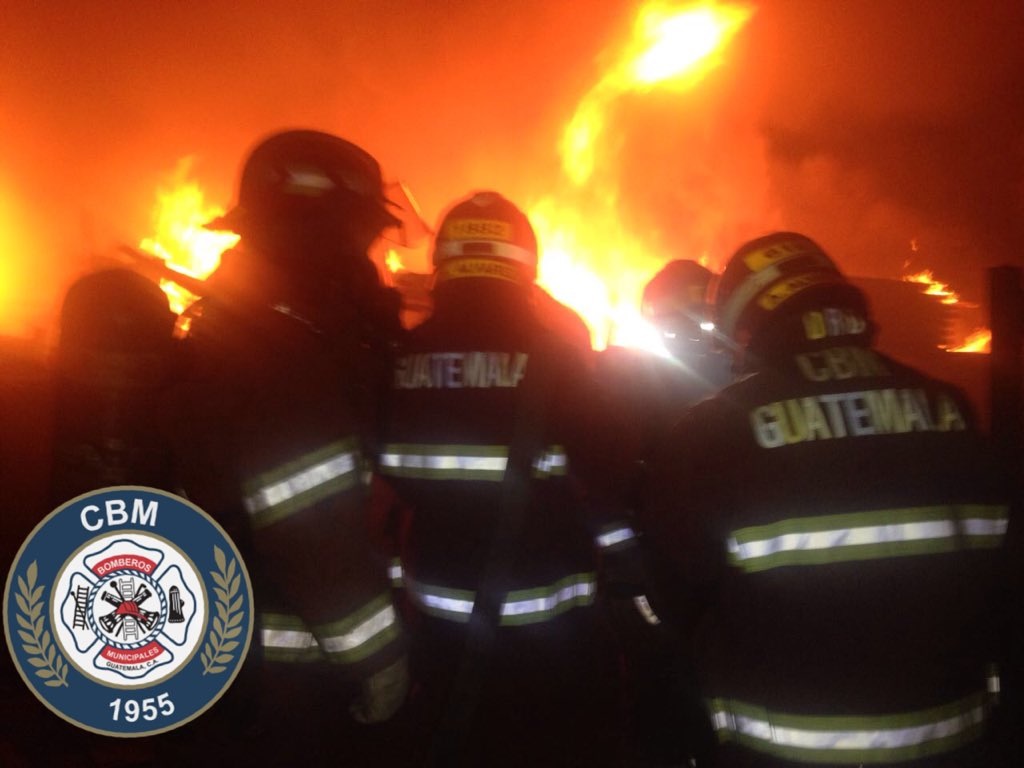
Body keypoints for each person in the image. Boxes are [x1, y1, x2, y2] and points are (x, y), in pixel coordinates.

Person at [639, 231, 1019, 767]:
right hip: (957, 748)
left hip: (783, 754)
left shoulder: (713, 432)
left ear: (745, 326)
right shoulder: (952, 408)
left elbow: (670, 599)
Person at [159, 128, 409, 764]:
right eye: (365, 233)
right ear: (332, 227)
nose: (373, 254)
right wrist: (376, 657)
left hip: (242, 663)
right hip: (294, 680)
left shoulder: (249, 318)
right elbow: (311, 522)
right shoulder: (286, 345)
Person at [375, 190, 638, 766]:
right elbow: (613, 471)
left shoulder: (395, 360)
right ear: (524, 267)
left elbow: (382, 497)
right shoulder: (556, 359)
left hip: (437, 641)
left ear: (442, 264)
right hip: (549, 652)